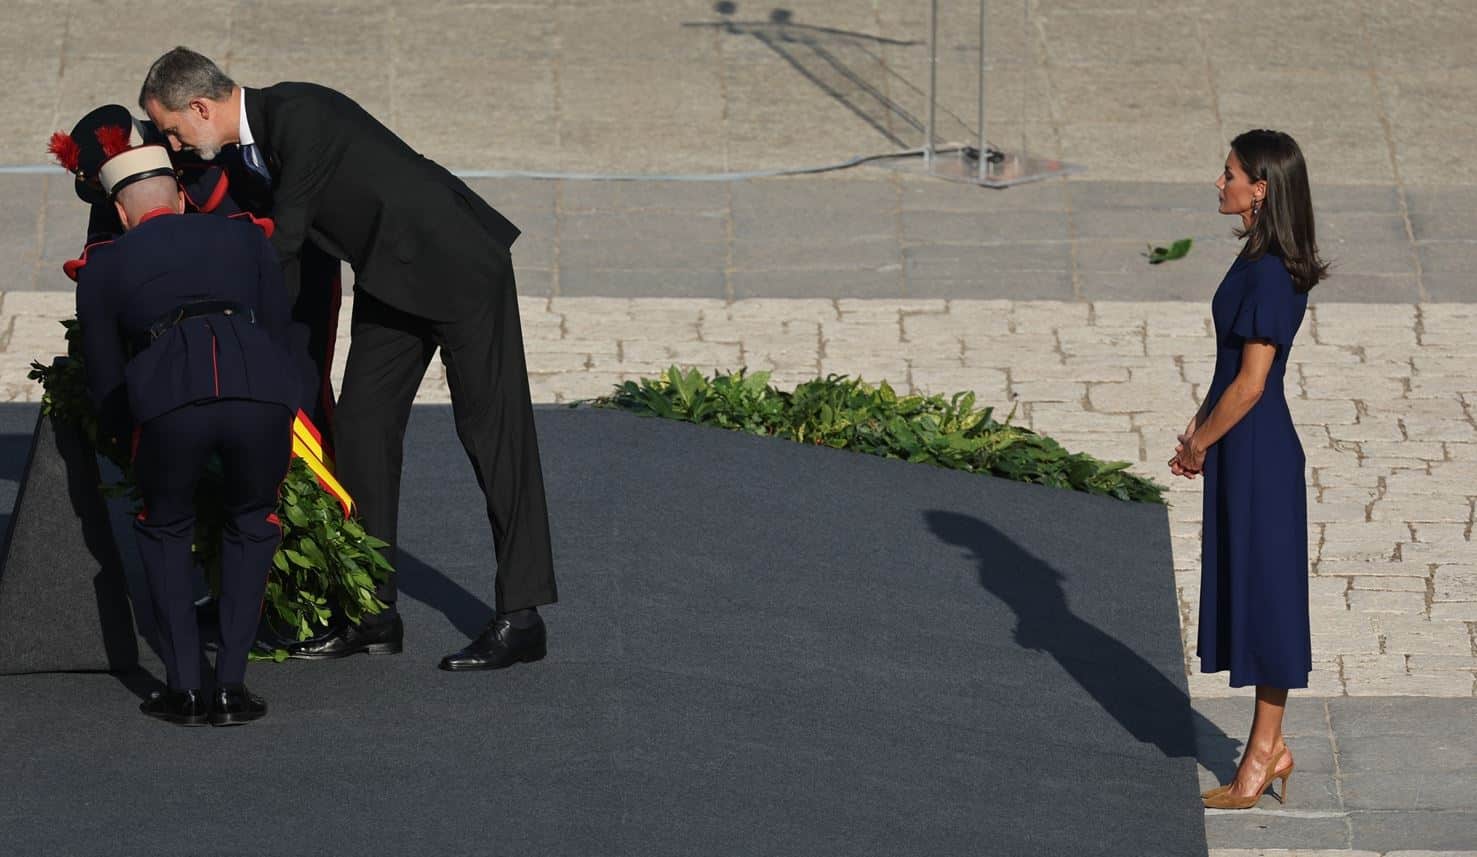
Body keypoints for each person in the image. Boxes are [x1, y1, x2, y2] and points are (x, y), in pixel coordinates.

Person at [138, 47, 558, 671]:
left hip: (460, 265)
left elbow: (286, 240)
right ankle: (372, 612)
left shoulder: (298, 114)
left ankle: (522, 617)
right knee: (362, 431)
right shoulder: (254, 144)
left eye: (172, 129)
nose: (175, 143)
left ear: (200, 107)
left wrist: (224, 323)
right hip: (393, 280)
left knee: (494, 435)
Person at [55, 123, 301, 725]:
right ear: (181, 195)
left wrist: (126, 436)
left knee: (165, 528)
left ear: (119, 209)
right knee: (252, 523)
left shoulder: (103, 267)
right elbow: (279, 331)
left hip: (169, 401)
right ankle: (232, 690)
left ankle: (184, 687)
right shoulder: (245, 239)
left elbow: (107, 378)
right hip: (261, 396)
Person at [1170, 129, 1329, 809]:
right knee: (1257, 592)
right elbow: (1229, 368)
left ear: (1259, 189)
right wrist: (1199, 425)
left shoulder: (1267, 273)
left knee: (1267, 602)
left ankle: (1261, 757)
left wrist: (1201, 438)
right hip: (1242, 446)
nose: (1218, 182)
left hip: (1257, 450)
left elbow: (1252, 383)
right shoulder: (1258, 257)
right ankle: (1269, 748)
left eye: (1228, 172)